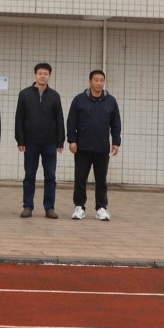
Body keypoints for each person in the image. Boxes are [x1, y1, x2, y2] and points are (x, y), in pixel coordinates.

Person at [66, 70, 122, 221]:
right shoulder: (79, 100)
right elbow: (71, 121)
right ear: (90, 81)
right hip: (82, 147)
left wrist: (116, 141)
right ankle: (79, 207)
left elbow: (116, 123)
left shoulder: (110, 101)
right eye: (96, 80)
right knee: (80, 179)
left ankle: (101, 208)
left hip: (102, 148)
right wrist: (72, 140)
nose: (99, 83)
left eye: (101, 80)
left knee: (101, 180)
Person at [15, 62, 65, 218]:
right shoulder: (25, 94)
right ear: (35, 75)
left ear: (50, 76)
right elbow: (19, 118)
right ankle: (27, 206)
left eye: (46, 74)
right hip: (30, 142)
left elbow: (59, 119)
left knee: (50, 176)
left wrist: (60, 141)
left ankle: (49, 208)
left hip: (50, 143)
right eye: (40, 73)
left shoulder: (54, 95)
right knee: (30, 175)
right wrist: (20, 140)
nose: (42, 76)